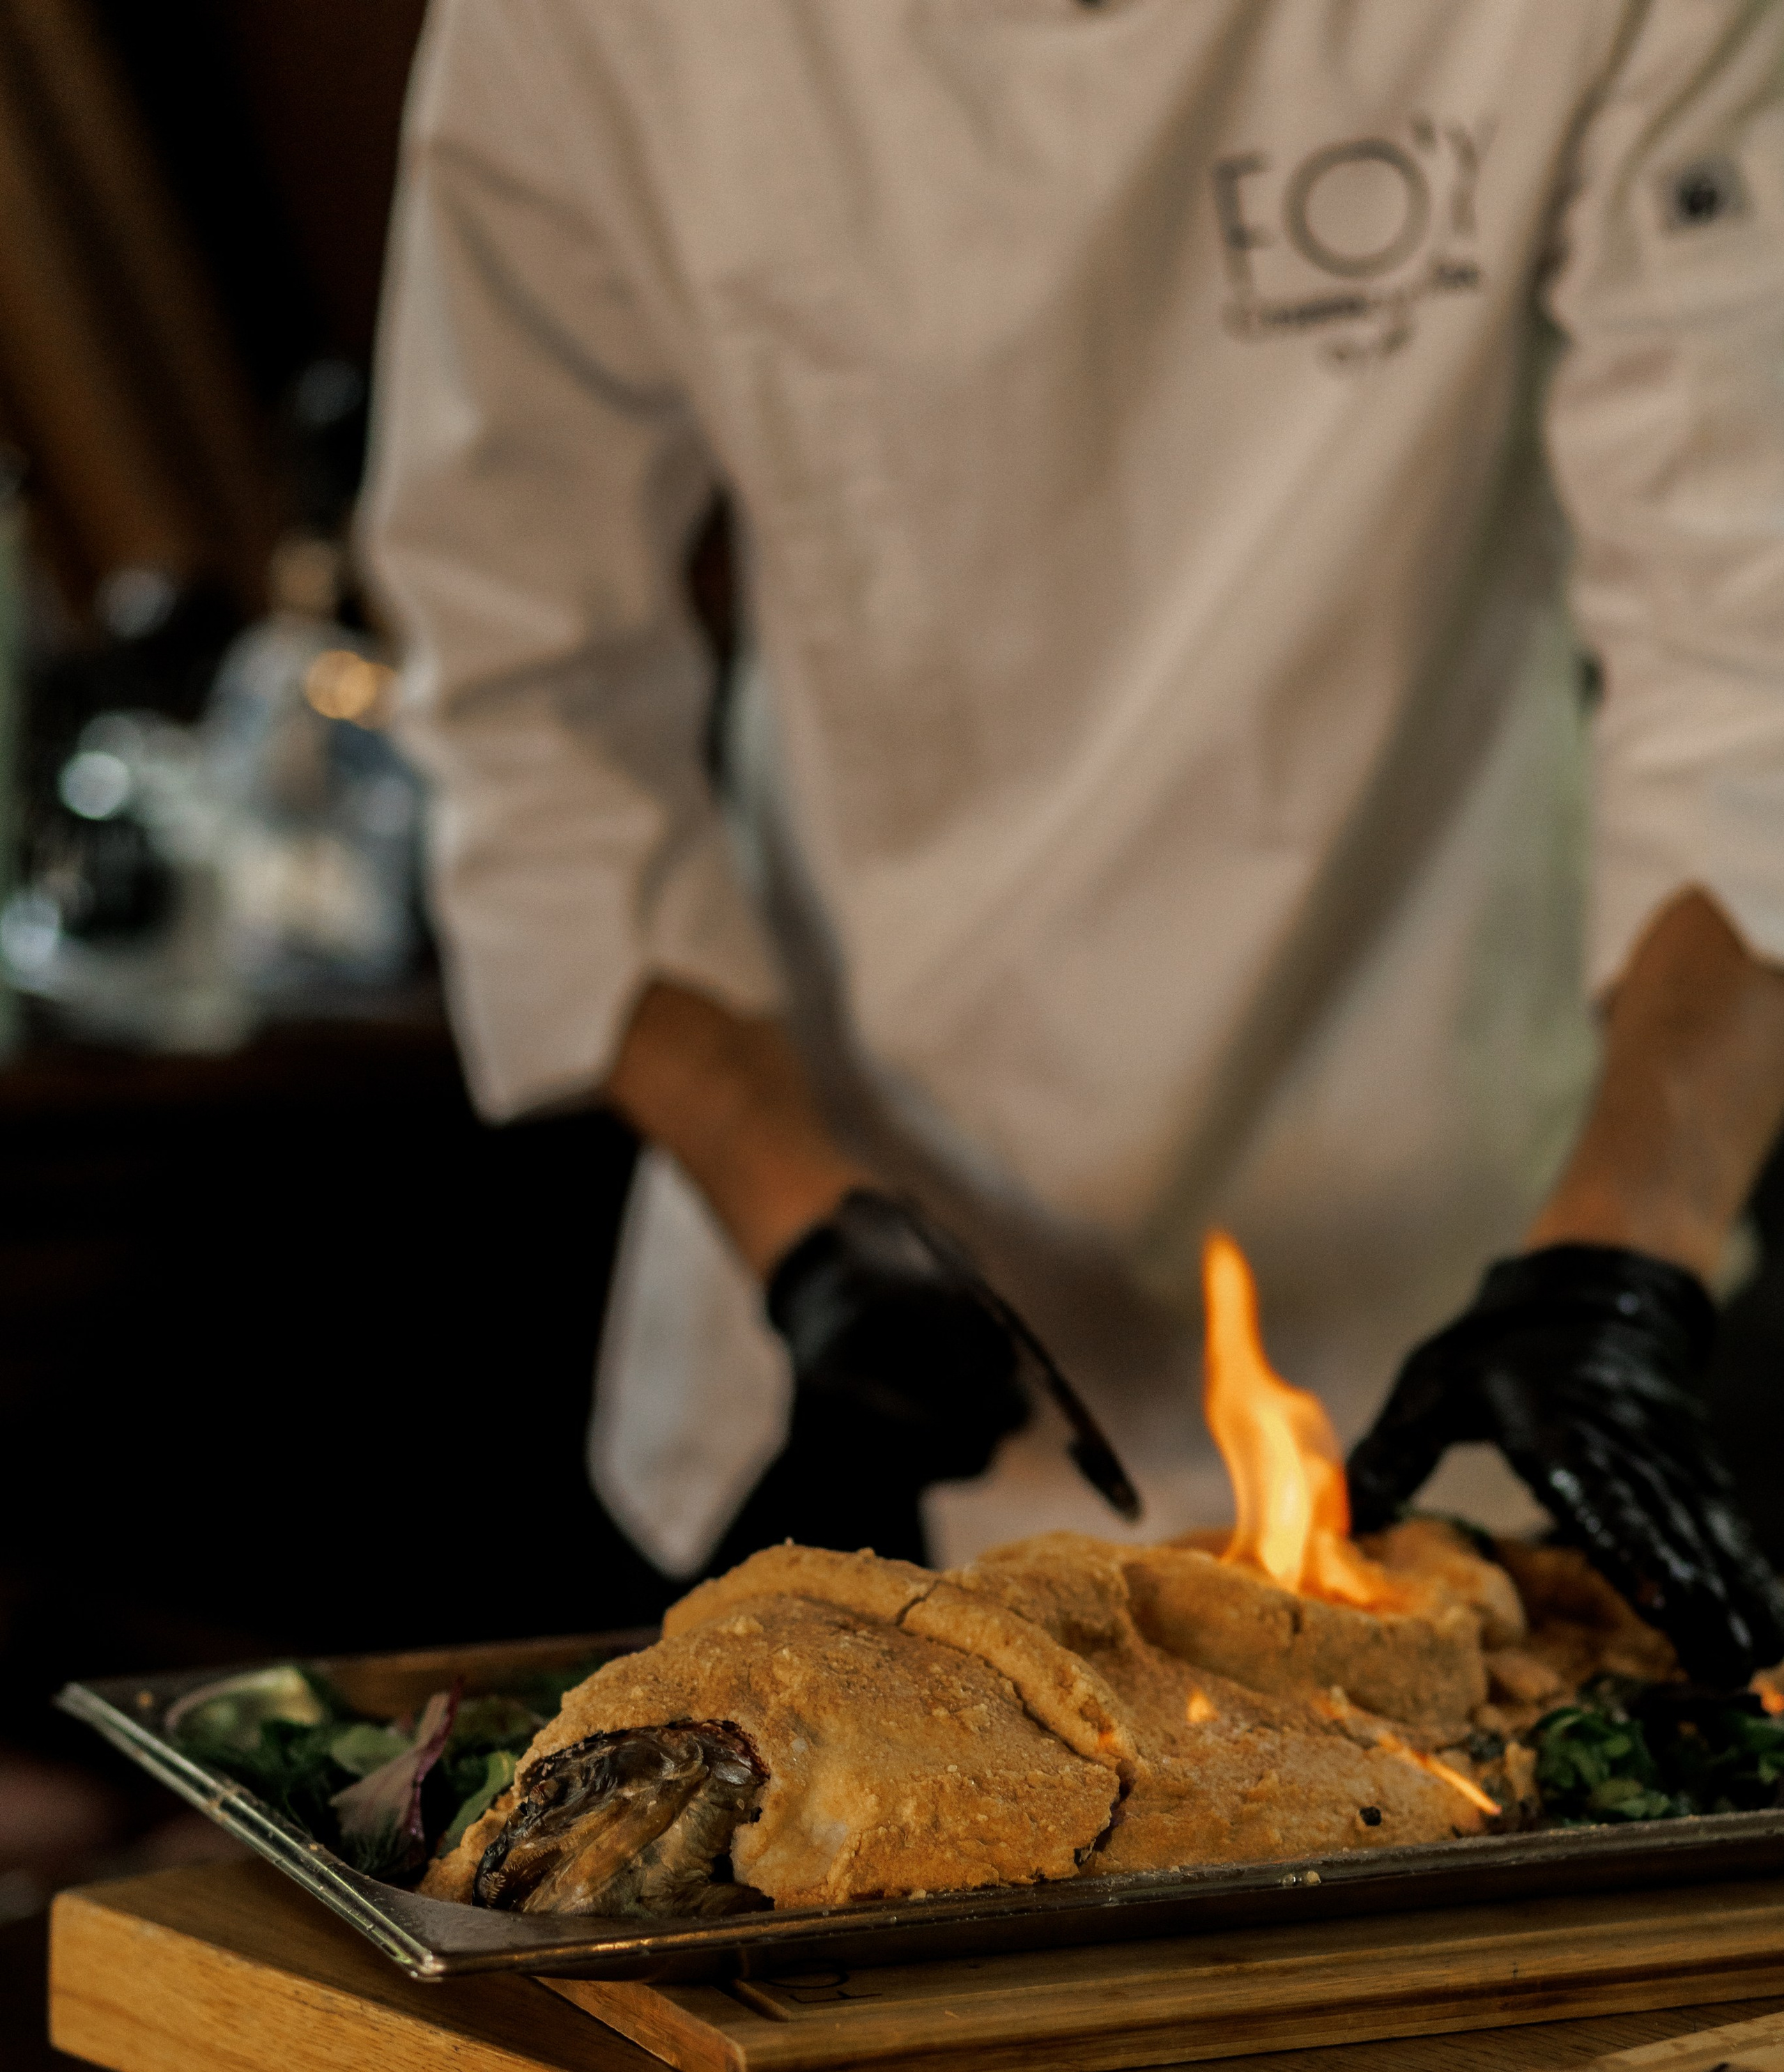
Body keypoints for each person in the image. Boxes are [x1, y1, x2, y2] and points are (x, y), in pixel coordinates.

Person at [364, 0, 1784, 1685]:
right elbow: (524, 684)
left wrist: (1617, 1271)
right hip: (859, 1332)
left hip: (1472, 1315)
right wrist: (802, 1225)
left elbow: (1746, 649)